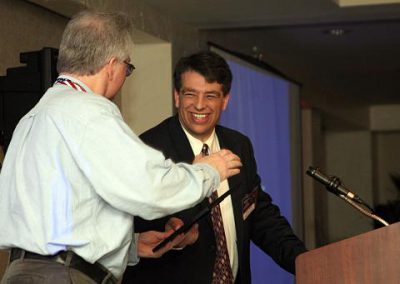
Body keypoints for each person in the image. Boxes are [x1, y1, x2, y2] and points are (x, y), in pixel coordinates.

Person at [0, 11, 242, 284]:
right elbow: (149, 187)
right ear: (112, 65)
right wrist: (208, 171)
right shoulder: (89, 111)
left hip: (23, 272)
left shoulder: (34, 116)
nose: (124, 76)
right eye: (128, 68)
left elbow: (60, 213)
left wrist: (129, 246)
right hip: (64, 276)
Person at [122, 51, 307, 284]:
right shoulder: (147, 149)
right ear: (177, 97)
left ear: (225, 100)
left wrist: (305, 261)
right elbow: (144, 227)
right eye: (191, 94)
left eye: (210, 96)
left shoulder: (238, 145)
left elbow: (259, 215)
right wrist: (193, 177)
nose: (200, 105)